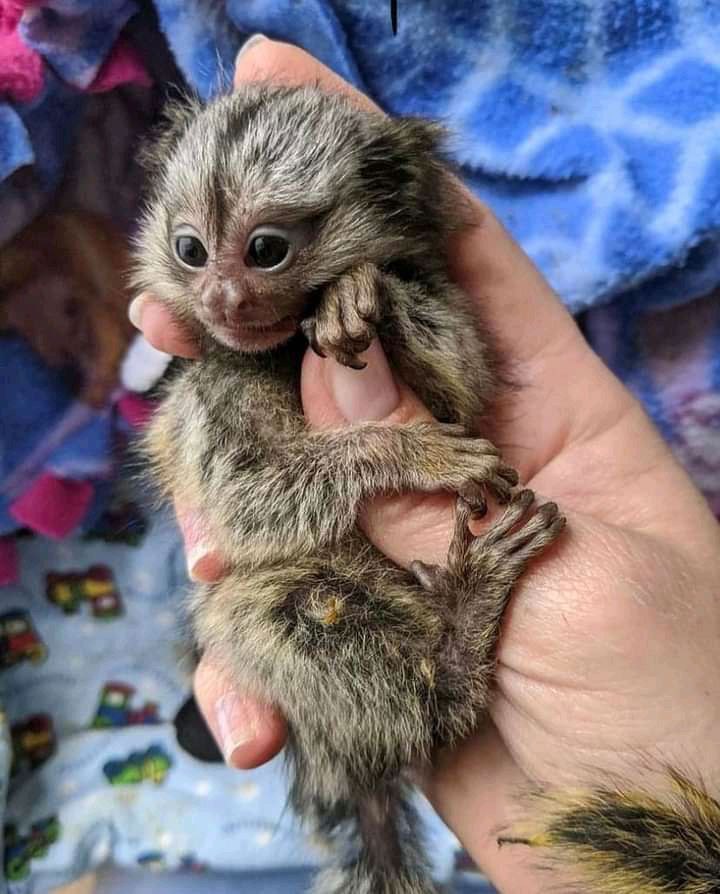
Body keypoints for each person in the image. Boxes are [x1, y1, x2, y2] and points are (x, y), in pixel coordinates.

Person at [130, 37, 720, 893]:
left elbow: (459, 384)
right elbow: (255, 515)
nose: (223, 296)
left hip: (423, 642)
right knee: (245, 616)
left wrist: (388, 325)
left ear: (386, 205)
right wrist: (389, 447)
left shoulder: (405, 292)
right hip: (340, 618)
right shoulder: (213, 376)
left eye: (266, 251)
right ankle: (391, 718)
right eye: (191, 251)